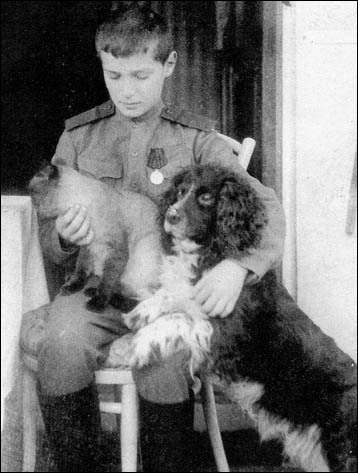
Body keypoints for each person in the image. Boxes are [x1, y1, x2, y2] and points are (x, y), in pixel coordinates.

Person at [34, 5, 286, 472]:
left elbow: (264, 207)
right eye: (114, 75)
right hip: (94, 296)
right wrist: (65, 240)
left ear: (168, 66)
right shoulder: (77, 140)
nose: (127, 90)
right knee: (62, 340)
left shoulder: (196, 142)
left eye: (140, 75)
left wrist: (238, 265)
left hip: (170, 295)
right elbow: (48, 237)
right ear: (101, 65)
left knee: (166, 355)